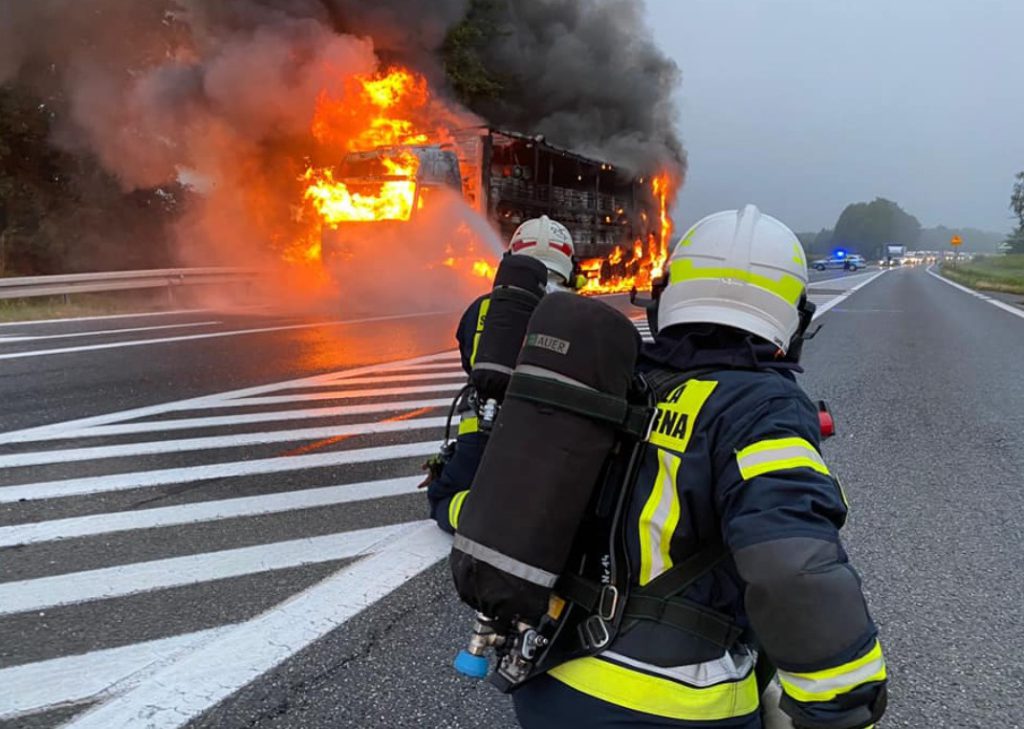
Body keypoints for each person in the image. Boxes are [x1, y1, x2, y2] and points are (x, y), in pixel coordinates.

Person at [511, 205, 888, 729]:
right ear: (793, 317)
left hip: (547, 678)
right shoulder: (762, 409)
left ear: (664, 297)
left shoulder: (623, 383)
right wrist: (844, 703)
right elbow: (790, 569)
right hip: (669, 706)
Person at [425, 215, 577, 533]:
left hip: (482, 435)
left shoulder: (480, 309)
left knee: (442, 498)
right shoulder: (578, 314)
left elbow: (471, 367)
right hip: (557, 445)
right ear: (569, 267)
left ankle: (474, 514)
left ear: (510, 258)